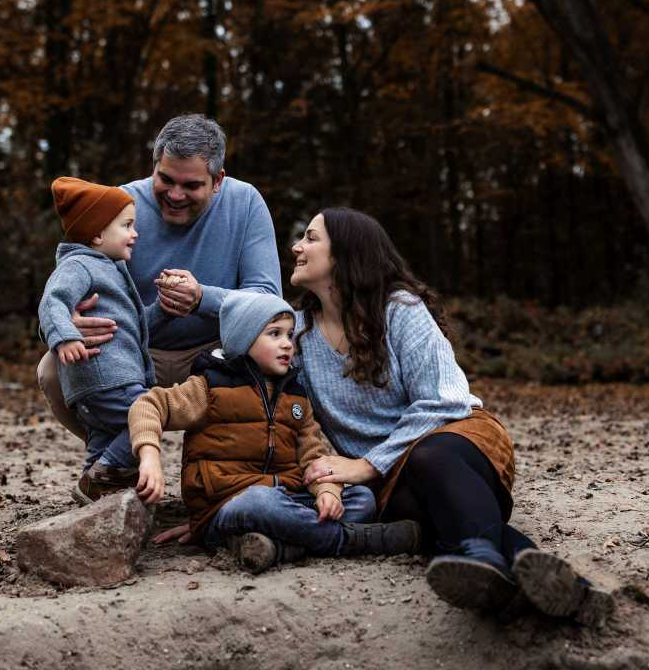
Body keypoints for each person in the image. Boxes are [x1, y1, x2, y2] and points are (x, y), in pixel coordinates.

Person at [290, 207, 596, 618]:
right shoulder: (297, 333)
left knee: (428, 458)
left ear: (345, 253)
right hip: (392, 480)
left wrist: (366, 464)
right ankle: (549, 582)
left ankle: (485, 563)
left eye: (311, 238)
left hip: (460, 444)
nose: (297, 246)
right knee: (436, 516)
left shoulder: (398, 309)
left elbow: (445, 401)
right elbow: (277, 401)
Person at [127, 291, 421, 573]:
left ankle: (282, 547)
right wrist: (150, 456)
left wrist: (327, 491)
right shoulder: (210, 387)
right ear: (244, 339)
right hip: (228, 502)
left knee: (361, 498)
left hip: (286, 498)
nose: (287, 344)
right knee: (259, 502)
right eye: (274, 333)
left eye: (290, 335)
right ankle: (348, 540)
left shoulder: (296, 396)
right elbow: (149, 405)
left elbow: (313, 458)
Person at [36, 114, 282, 447]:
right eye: (166, 179)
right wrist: (67, 324)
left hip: (214, 355)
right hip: (130, 355)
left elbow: (268, 300)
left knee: (273, 348)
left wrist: (201, 298)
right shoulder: (118, 206)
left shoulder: (246, 203)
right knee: (53, 368)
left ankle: (229, 459)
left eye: (191, 185)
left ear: (218, 180)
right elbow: (64, 283)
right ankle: (116, 461)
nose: (176, 194)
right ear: (154, 165)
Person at [38, 177, 157, 503]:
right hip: (107, 378)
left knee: (104, 438)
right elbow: (53, 302)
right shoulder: (80, 265)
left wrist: (165, 308)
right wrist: (65, 337)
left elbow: (136, 323)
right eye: (127, 225)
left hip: (100, 385)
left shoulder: (107, 267)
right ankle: (103, 476)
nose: (135, 234)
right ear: (97, 233)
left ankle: (94, 495)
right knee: (149, 416)